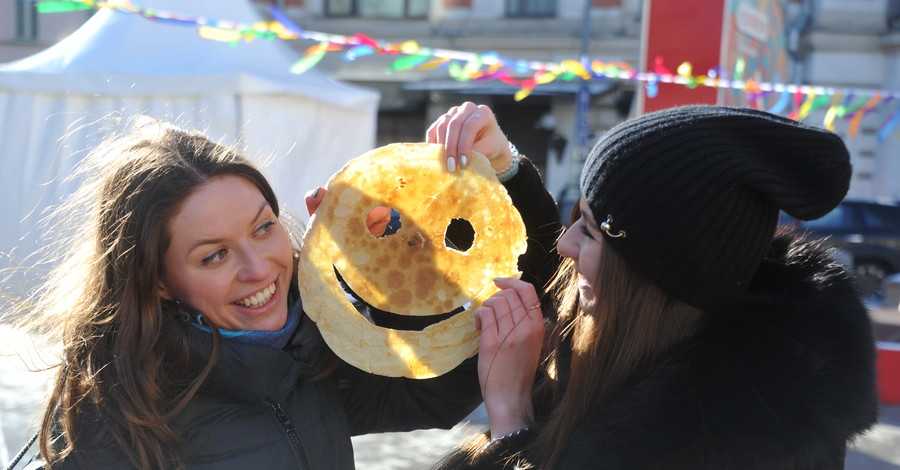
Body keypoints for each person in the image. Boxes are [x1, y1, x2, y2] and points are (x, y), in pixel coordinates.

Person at [6, 112, 561, 470]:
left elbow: (436, 387)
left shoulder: (306, 355)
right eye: (214, 255)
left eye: (263, 227)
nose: (260, 268)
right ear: (155, 280)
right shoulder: (109, 422)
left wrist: (501, 177)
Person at [430, 103, 879, 469]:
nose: (565, 244)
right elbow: (562, 274)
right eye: (576, 219)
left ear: (649, 272)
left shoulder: (725, 441)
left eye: (587, 229)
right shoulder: (664, 317)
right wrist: (505, 170)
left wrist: (511, 418)